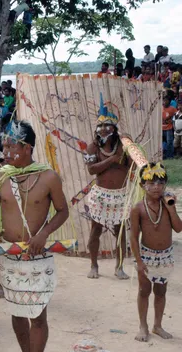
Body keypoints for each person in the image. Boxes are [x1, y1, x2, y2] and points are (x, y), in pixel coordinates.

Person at [0, 120, 69, 352]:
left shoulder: (48, 177)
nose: (5, 150)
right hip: (10, 255)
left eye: (12, 145)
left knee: (38, 315)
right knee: (16, 311)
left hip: (37, 257)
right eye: (5, 145)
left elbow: (62, 211)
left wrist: (43, 234)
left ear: (28, 147)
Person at [129, 163, 181, 343]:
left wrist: (171, 208)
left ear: (165, 185)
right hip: (146, 255)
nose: (156, 187)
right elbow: (134, 238)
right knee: (144, 290)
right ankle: (143, 325)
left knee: (161, 291)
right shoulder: (138, 208)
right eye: (151, 183)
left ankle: (157, 325)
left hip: (165, 256)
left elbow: (178, 228)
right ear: (142, 185)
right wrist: (139, 261)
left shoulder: (167, 204)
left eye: (160, 183)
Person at [84, 96, 130, 280]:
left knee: (120, 231)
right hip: (101, 195)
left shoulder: (124, 145)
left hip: (120, 195)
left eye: (107, 125)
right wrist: (112, 160)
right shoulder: (92, 148)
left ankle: (119, 267)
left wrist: (125, 156)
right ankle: (93, 265)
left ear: (114, 128)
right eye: (100, 126)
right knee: (96, 229)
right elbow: (91, 170)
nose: (103, 129)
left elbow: (131, 164)